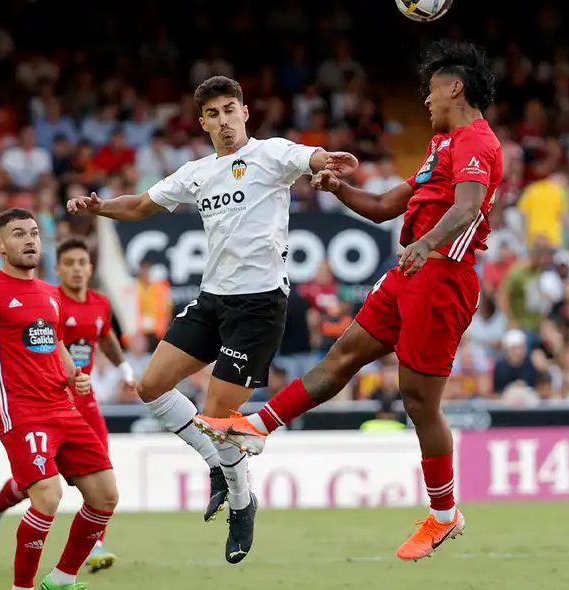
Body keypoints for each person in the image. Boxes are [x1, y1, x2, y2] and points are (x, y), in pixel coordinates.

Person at [194, 40, 501, 561]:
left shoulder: (476, 142)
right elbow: (383, 207)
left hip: (443, 275)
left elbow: (469, 207)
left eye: (430, 91)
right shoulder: (442, 147)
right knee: (343, 355)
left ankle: (445, 516)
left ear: (455, 87)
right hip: (413, 271)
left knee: (419, 401)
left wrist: (426, 244)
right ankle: (256, 428)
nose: (425, 101)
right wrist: (336, 188)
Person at [65, 75, 358, 562]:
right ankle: (217, 466)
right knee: (151, 385)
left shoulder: (270, 154)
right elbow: (140, 205)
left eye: (230, 110)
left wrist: (327, 160)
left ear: (245, 112)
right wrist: (99, 208)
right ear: (203, 122)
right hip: (212, 300)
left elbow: (306, 157)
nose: (224, 121)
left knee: (219, 416)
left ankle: (242, 504)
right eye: (213, 114)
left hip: (259, 306)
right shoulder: (197, 172)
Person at [0, 208, 119, 590]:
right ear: (0, 245)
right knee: (48, 497)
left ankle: (63, 578)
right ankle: (22, 587)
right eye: (19, 234)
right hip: (22, 412)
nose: (31, 240)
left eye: (34, 233)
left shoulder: (51, 293)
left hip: (64, 407)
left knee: (105, 496)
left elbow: (58, 345)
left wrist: (74, 375)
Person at [0, 237, 134, 573]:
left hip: (85, 401)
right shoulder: (48, 299)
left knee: (102, 478)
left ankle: (96, 544)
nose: (78, 269)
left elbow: (106, 336)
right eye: (71, 263)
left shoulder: (99, 303)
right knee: (38, 483)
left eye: (83, 262)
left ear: (91, 268)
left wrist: (125, 370)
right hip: (47, 402)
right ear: (59, 268)